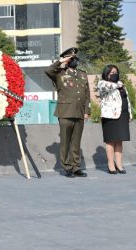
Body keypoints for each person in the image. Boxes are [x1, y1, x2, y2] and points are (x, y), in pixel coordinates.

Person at [45, 47, 91, 178]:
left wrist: (87, 111)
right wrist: (61, 62)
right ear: (66, 60)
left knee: (76, 142)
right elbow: (47, 71)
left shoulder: (82, 74)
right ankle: (67, 167)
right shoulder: (59, 73)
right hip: (65, 112)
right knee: (65, 142)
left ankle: (76, 167)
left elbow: (87, 94)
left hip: (80, 112)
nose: (74, 61)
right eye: (71, 59)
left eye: (75, 58)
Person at [97, 65, 132, 174]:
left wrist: (129, 114)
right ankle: (111, 164)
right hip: (110, 116)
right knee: (110, 141)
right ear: (106, 74)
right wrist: (118, 84)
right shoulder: (102, 83)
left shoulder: (121, 85)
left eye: (115, 72)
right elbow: (108, 87)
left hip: (122, 115)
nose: (114, 74)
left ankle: (119, 164)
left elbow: (127, 100)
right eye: (111, 72)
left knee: (119, 140)